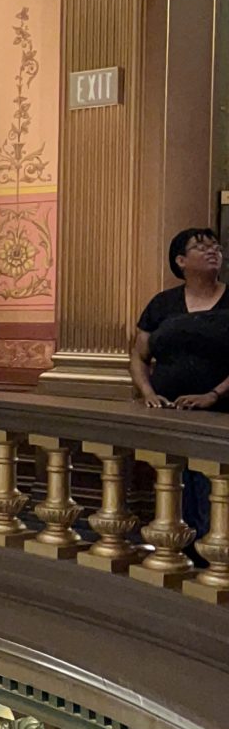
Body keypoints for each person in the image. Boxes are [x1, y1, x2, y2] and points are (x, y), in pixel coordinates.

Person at [133, 226, 229, 536]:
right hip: (170, 414)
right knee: (175, 485)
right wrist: (148, 392)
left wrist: (213, 394)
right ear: (181, 261)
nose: (213, 250)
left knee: (212, 487)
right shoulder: (162, 303)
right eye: (201, 247)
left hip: (220, 413)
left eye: (216, 246)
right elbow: (139, 355)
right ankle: (179, 544)